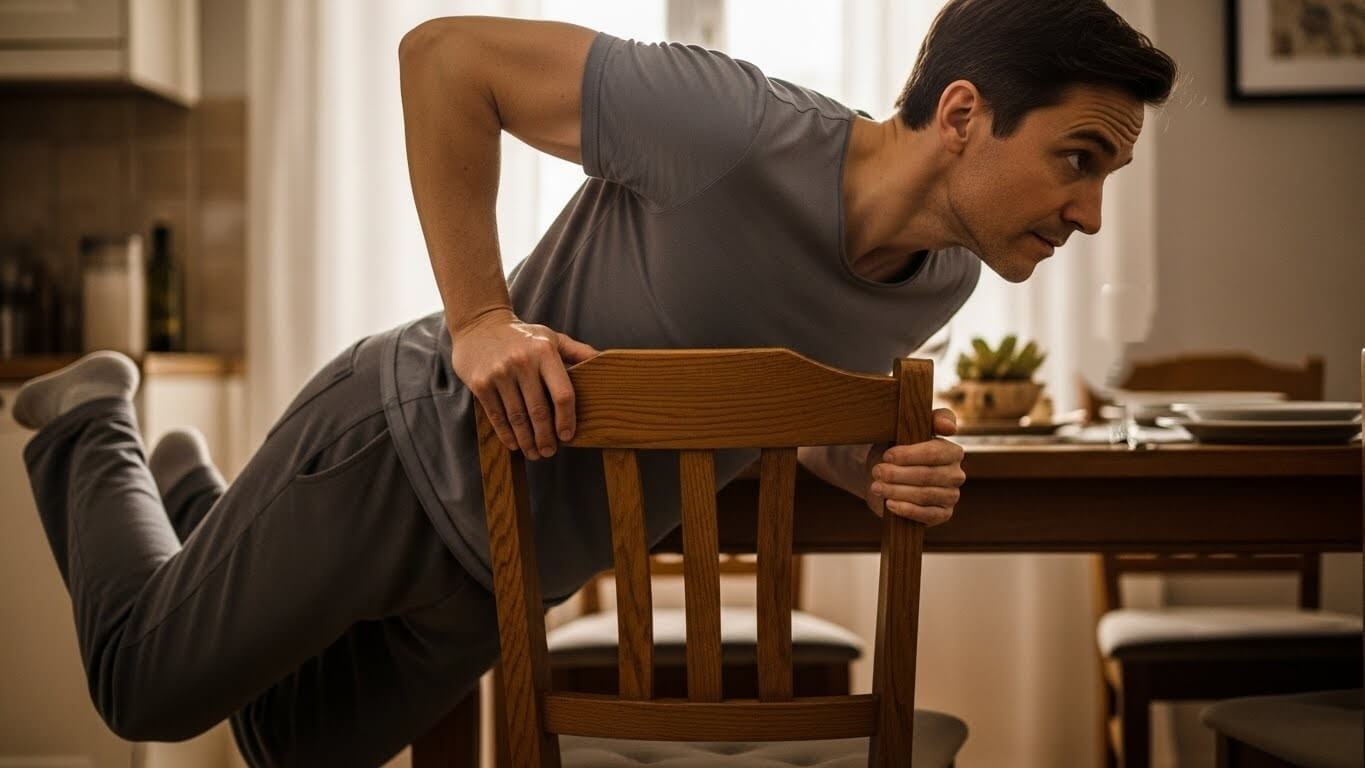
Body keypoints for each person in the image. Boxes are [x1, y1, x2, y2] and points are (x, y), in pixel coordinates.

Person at [13, 0, 1176, 764]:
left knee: (285, 747)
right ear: (965, 117)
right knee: (145, 693)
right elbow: (444, 60)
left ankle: (196, 502)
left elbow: (778, 409)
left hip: (505, 577)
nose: (1089, 212)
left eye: (1109, 176)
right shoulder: (736, 125)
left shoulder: (942, 284)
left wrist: (873, 459)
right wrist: (480, 317)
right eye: (1080, 160)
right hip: (402, 451)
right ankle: (91, 421)